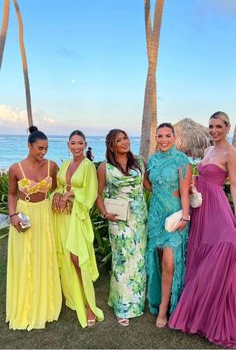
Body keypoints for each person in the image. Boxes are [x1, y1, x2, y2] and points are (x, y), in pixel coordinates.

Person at [169, 112, 236, 348]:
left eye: (219, 126)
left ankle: (210, 312)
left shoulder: (231, 153)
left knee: (228, 244)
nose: (214, 130)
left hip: (218, 209)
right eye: (211, 126)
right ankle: (200, 314)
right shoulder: (207, 150)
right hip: (201, 209)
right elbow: (200, 176)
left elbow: (235, 187)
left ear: (228, 127)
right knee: (201, 258)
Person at [7, 126, 62, 330]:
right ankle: (26, 305)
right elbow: (12, 194)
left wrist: (58, 196)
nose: (43, 152)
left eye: (46, 149)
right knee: (25, 258)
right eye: (39, 148)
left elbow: (57, 187)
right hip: (25, 213)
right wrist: (13, 215)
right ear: (29, 145)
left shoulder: (52, 166)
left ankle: (46, 303)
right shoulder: (15, 168)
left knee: (44, 256)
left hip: (45, 213)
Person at [96, 129, 149, 326]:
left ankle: (136, 302)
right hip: (118, 219)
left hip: (139, 219)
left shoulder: (139, 162)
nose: (125, 142)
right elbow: (98, 194)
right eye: (119, 140)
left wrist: (177, 187)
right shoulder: (104, 168)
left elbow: (147, 186)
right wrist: (105, 214)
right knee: (122, 261)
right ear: (112, 145)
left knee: (138, 260)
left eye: (125, 138)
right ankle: (121, 306)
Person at [52, 130, 104, 328]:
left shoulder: (88, 166)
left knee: (77, 259)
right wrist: (57, 196)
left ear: (85, 144)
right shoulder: (65, 164)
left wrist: (72, 195)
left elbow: (90, 195)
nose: (76, 147)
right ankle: (74, 297)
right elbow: (59, 187)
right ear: (68, 145)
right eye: (73, 143)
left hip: (77, 217)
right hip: (62, 218)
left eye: (80, 143)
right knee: (65, 258)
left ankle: (90, 306)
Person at [146, 123, 192, 328]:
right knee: (157, 259)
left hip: (175, 215)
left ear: (174, 137)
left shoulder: (182, 161)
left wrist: (185, 216)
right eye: (160, 136)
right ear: (156, 138)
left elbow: (185, 192)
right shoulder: (153, 160)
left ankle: (164, 309)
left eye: (167, 135)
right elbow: (147, 184)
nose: (163, 140)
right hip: (156, 214)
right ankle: (157, 299)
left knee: (169, 262)